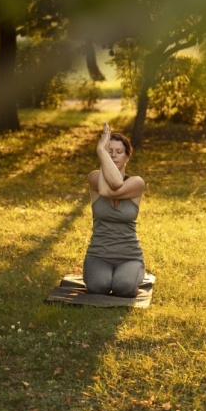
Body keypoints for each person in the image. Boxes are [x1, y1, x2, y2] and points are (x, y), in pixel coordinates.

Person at [83, 123, 146, 297]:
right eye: (109, 151)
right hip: (98, 255)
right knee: (98, 286)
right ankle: (104, 275)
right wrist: (104, 156)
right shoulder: (93, 177)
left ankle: (130, 274)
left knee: (124, 287)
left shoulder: (137, 183)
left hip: (129, 256)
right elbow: (105, 188)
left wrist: (101, 151)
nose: (113, 155)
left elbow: (112, 187)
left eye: (119, 152)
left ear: (127, 157)